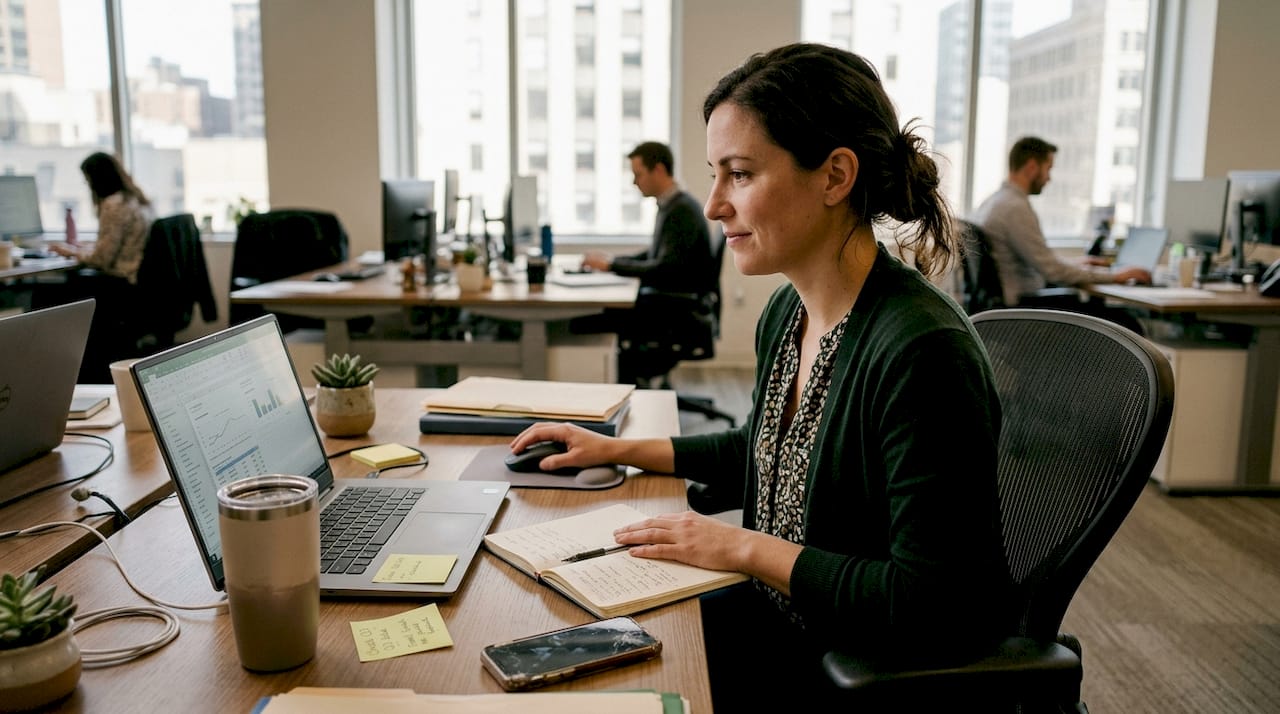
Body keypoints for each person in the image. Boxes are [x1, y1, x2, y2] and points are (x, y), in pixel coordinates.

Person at [512, 43, 1011, 710]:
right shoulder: (788, 311)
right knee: (554, 639)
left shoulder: (921, 350)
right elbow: (764, 445)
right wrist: (613, 448)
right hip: (780, 621)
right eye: (715, 175)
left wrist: (743, 548)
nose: (716, 204)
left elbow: (930, 602)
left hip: (855, 664)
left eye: (740, 174)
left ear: (835, 176)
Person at [971, 136, 1151, 307]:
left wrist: (1078, 263)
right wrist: (1116, 276)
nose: (1049, 178)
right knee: (1126, 321)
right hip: (1024, 305)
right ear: (1032, 167)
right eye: (1048, 168)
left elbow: (1042, 262)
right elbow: (1052, 270)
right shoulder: (1014, 208)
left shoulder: (994, 201)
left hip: (1017, 300)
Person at [580, 141, 716, 294]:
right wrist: (612, 261)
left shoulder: (681, 211)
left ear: (658, 170)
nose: (634, 182)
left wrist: (611, 266)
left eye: (638, 174)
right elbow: (654, 255)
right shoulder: (672, 205)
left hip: (678, 307)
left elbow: (664, 271)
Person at [49, 152, 153, 284]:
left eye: (87, 181)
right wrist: (86, 247)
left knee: (45, 293)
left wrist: (72, 252)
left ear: (97, 180)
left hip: (123, 279)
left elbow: (101, 260)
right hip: (137, 276)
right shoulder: (135, 201)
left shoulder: (114, 206)